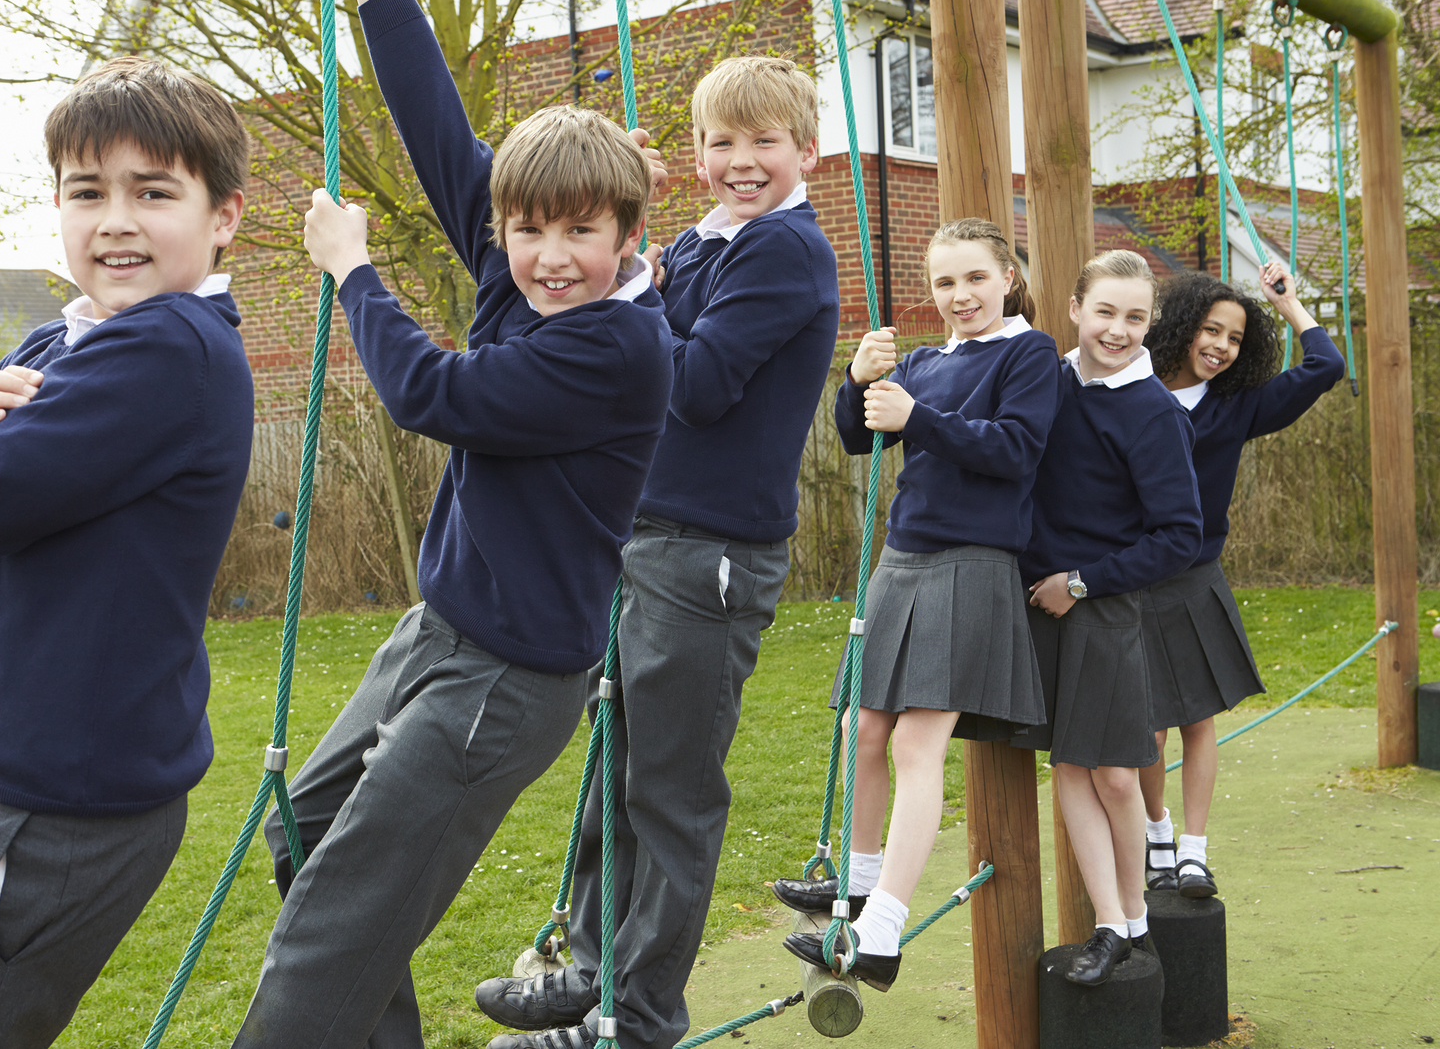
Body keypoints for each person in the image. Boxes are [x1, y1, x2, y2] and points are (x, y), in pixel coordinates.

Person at [228, 0, 674, 1045]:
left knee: (332, 928)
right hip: (439, 632)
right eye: (527, 229)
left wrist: (353, 272)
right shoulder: (526, 278)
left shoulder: (615, 345)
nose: (550, 255)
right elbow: (437, 128)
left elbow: (436, 397)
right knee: (308, 826)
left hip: (505, 681)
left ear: (628, 230)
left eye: (581, 231)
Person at [0, 56, 254, 1046]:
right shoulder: (52, 342)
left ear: (222, 215)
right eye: (87, 191)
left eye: (154, 191)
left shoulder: (174, 349)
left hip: (60, 806)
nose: (115, 219)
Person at [473, 54, 840, 1049]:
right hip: (649, 534)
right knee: (614, 770)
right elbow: (641, 317)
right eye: (721, 140)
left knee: (669, 792)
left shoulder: (783, 252)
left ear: (807, 149)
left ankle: (635, 1017)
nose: (741, 160)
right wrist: (639, 248)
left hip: (709, 550)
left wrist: (638, 297)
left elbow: (699, 382)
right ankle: (593, 969)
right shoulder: (702, 241)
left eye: (764, 140)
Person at [773, 218, 1058, 990]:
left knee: (916, 744)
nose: (959, 294)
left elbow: (1015, 450)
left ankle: (885, 929)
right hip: (902, 560)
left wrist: (917, 417)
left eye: (974, 278)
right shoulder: (927, 360)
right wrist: (858, 383)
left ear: (1008, 276)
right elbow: (863, 441)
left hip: (972, 564)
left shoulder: (1029, 353)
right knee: (859, 725)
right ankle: (859, 885)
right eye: (944, 282)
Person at [1015, 248, 1203, 987]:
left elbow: (1179, 534)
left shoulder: (1152, 411)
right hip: (1038, 605)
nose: (1118, 329)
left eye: (1134, 317)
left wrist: (1084, 582)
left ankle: (1134, 919)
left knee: (1118, 776)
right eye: (1105, 312)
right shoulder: (1044, 379)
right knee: (1068, 766)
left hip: (1103, 606)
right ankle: (1110, 921)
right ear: (1074, 309)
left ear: (1150, 323)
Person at [1138, 262, 1344, 898]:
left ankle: (1195, 853)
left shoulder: (1236, 408)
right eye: (1210, 330)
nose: (1220, 346)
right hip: (1132, 577)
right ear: (1181, 328)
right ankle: (1157, 836)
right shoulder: (1129, 391)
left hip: (1195, 579)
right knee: (1145, 726)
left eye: (1233, 337)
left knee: (1199, 720)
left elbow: (1325, 368)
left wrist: (1289, 306)